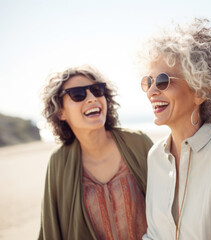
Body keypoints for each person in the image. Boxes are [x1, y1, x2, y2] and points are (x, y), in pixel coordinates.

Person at [138, 18, 211, 240]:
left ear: (201, 91)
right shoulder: (155, 156)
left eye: (163, 81)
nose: (152, 91)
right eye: (149, 81)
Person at [38, 65, 153, 240]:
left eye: (97, 90)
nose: (92, 98)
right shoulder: (58, 161)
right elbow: (52, 227)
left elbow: (171, 206)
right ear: (60, 111)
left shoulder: (138, 143)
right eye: (77, 94)